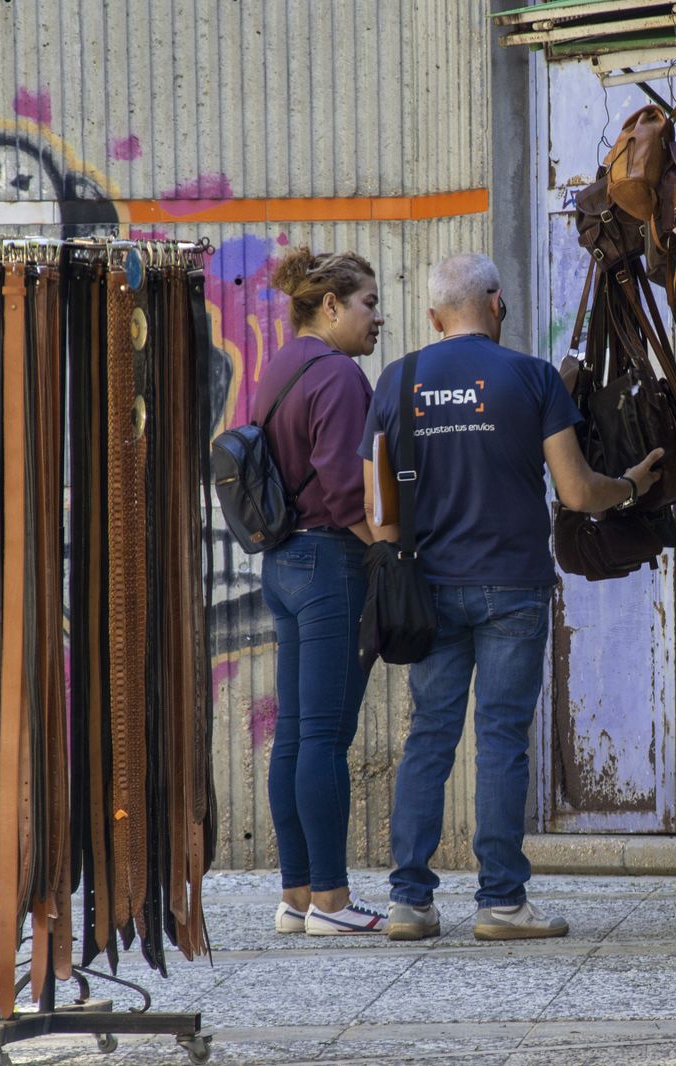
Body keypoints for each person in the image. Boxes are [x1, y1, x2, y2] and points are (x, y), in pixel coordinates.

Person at [360, 252, 663, 942]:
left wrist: (403, 563)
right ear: (496, 303)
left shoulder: (397, 379)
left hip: (428, 589)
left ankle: (409, 903)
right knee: (500, 739)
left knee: (429, 736)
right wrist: (632, 486)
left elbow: (376, 507)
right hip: (514, 587)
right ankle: (500, 904)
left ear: (434, 316)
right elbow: (578, 492)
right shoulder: (531, 377)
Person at [259, 249, 390, 936]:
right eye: (368, 302)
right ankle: (332, 904)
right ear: (331, 305)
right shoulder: (338, 375)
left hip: (282, 562)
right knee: (325, 739)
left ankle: (298, 895)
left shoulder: (280, 366)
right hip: (330, 563)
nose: (378, 317)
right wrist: (389, 554)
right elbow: (346, 490)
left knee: (294, 734)